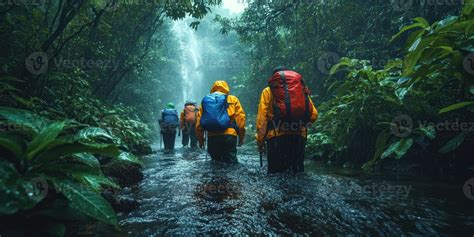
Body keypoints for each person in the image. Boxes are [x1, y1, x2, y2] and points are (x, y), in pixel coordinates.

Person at [255, 67, 318, 173]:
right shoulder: (300, 90)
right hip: (298, 137)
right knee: (297, 175)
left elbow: (262, 119)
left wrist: (260, 141)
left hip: (276, 137)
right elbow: (314, 115)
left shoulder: (268, 91)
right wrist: (299, 124)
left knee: (276, 177)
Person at [196, 81, 246, 163]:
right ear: (226, 88)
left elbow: (199, 123)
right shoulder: (233, 99)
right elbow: (241, 119)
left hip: (212, 136)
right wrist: (241, 137)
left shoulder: (207, 100)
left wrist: (201, 140)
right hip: (229, 136)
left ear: (213, 88)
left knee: (216, 164)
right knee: (231, 164)